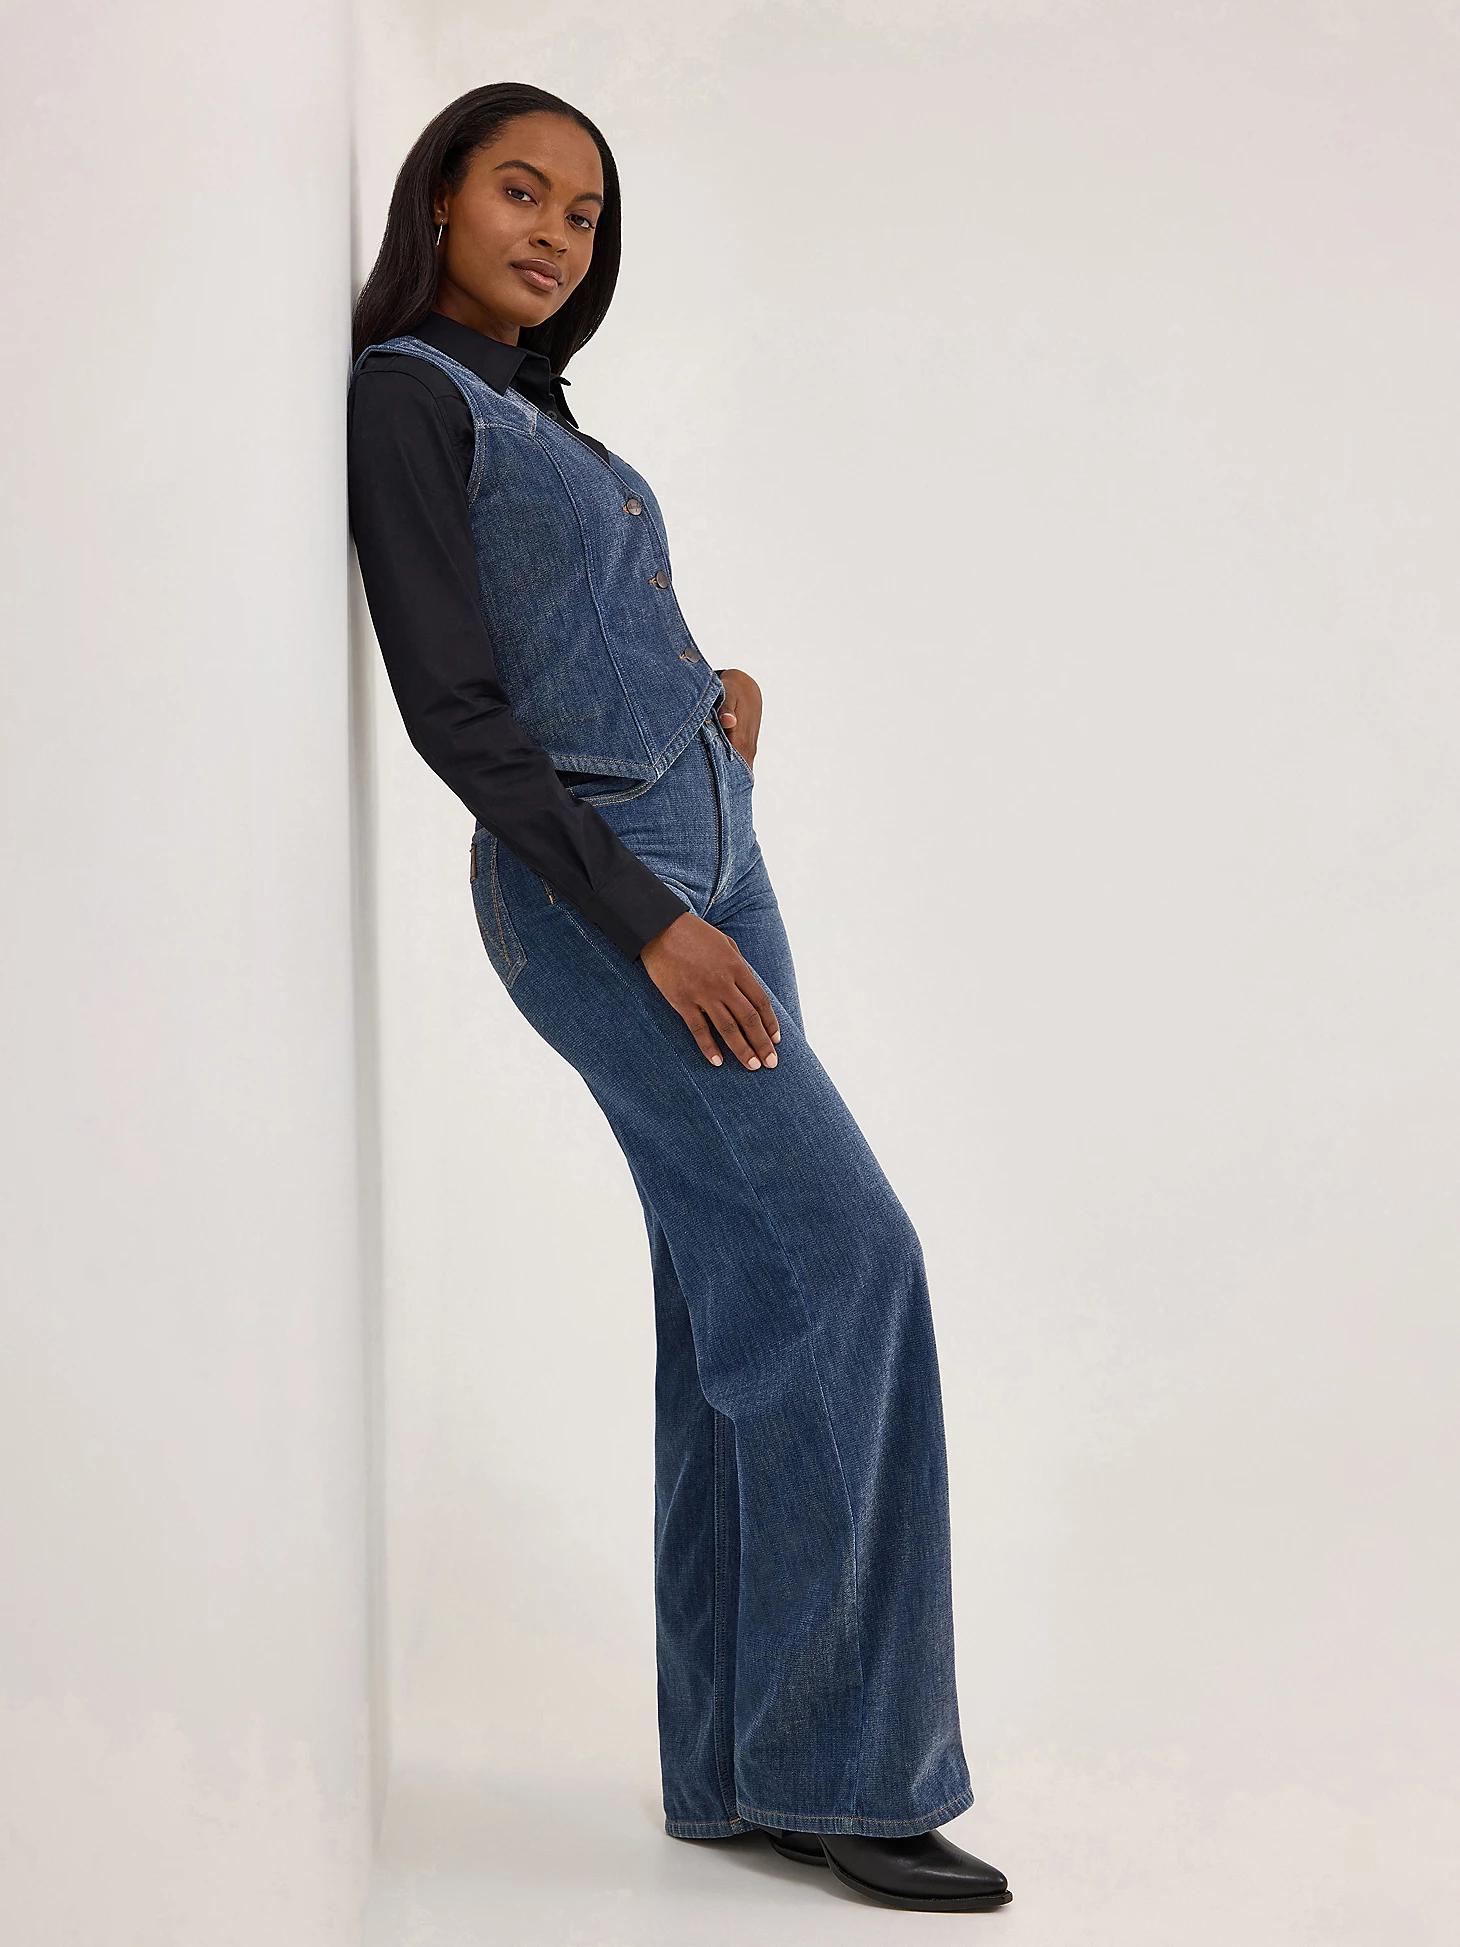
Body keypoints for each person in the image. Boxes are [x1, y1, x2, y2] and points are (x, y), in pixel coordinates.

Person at [346, 81, 1012, 1916]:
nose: (556, 235)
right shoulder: (408, 396)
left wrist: (712, 701)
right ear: (440, 198)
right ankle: (850, 1774)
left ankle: (736, 1769)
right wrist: (647, 918)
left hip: (718, 853)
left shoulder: (531, 408)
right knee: (848, 1262)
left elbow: (573, 639)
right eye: (521, 192)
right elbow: (458, 711)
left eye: (583, 213)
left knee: (742, 1295)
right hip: (609, 901)